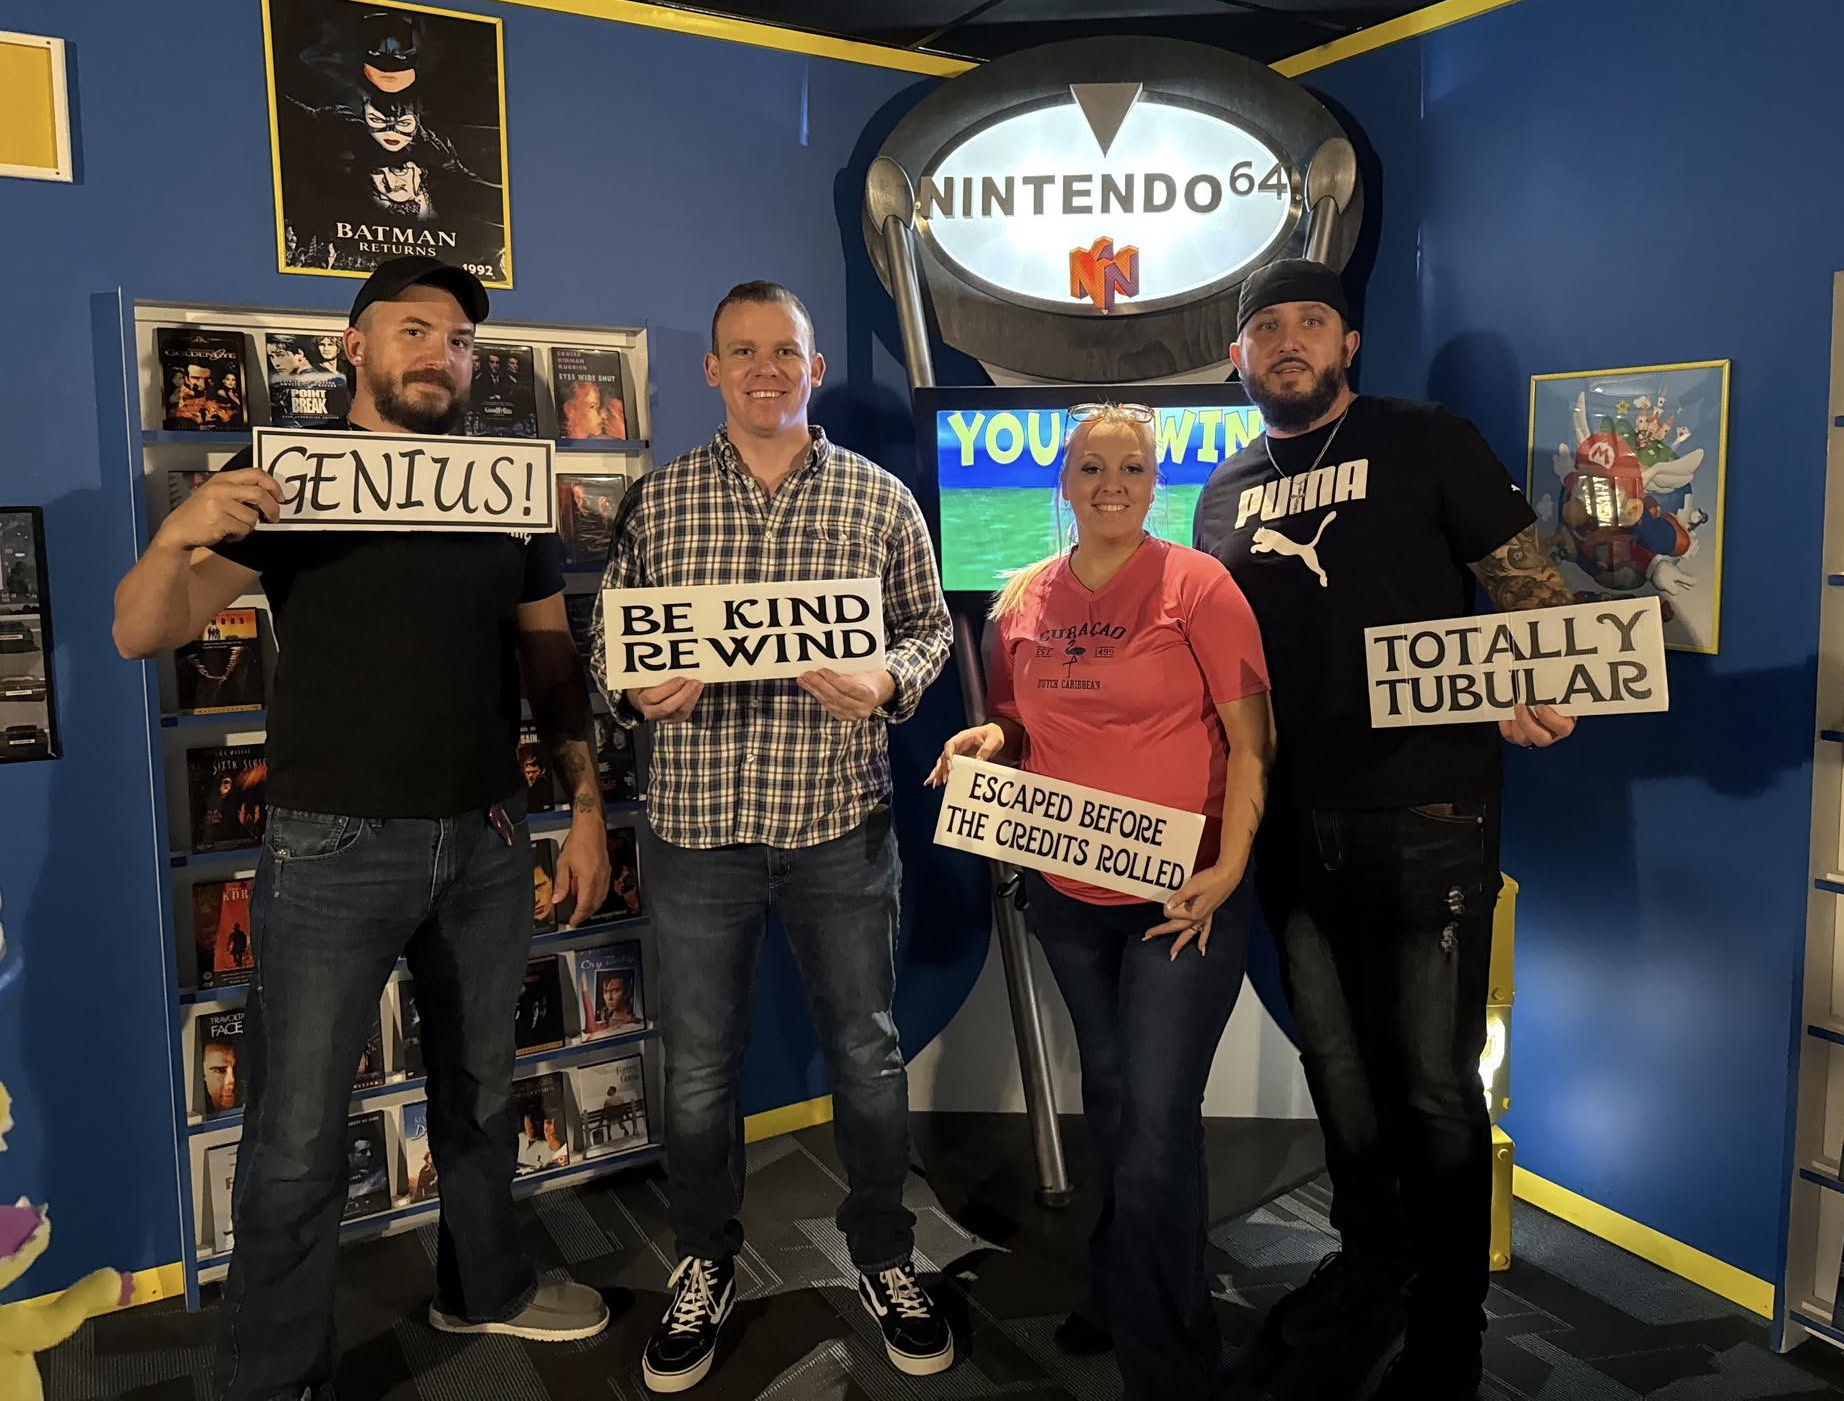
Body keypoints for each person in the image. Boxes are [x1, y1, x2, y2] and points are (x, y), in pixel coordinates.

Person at [112, 255, 612, 1401]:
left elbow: (549, 660)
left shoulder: (502, 488)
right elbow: (140, 630)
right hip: (331, 849)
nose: (442, 353)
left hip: (487, 840)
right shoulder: (290, 479)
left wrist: (582, 809)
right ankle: (271, 1377)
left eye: (460, 340)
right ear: (354, 345)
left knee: (482, 1092)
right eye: (414, 330)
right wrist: (178, 532)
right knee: (294, 1138)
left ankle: (482, 1287)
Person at [1193, 260, 1578, 1397]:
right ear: (1238, 355)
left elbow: (1536, 599)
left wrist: (1537, 679)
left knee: (1432, 1086)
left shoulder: (1426, 439)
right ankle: (1371, 1272)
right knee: (1337, 1069)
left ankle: (1450, 1331)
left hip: (1426, 810)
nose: (1289, 341)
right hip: (1290, 821)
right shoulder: (1221, 493)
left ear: (1347, 343)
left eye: (1311, 321)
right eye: (1266, 327)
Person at [588, 280, 955, 1393]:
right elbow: (610, 645)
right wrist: (631, 690)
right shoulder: (658, 501)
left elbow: (928, 628)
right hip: (696, 828)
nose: (764, 369)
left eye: (783, 351)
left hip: (838, 822)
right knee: (700, 1069)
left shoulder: (878, 497)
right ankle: (704, 1260)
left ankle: (884, 1255)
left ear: (814, 367)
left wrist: (888, 680)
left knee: (867, 1054)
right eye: (742, 351)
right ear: (712, 369)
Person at [926, 405, 1276, 1401]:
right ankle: (1125, 1287)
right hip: (1071, 893)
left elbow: (1253, 743)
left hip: (1183, 893)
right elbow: (1014, 723)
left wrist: (1229, 869)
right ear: (1064, 481)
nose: (1110, 483)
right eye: (1091, 466)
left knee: (1158, 1120)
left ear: (1155, 482)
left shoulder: (1198, 585)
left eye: (1130, 467)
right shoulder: (1021, 599)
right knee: (1116, 1101)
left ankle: (1172, 1367)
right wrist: (987, 743)